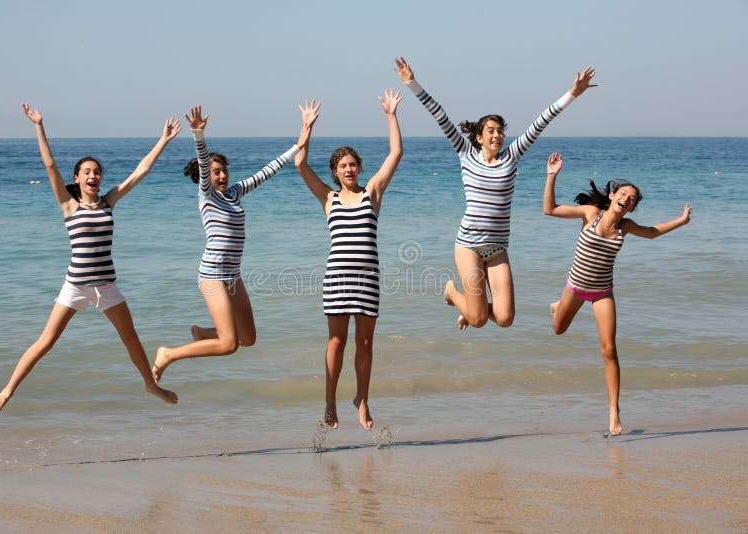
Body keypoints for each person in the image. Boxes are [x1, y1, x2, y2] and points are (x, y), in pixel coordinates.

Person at [0, 103, 180, 414]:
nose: (93, 175)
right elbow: (50, 165)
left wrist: (163, 140)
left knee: (131, 338)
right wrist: (39, 125)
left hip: (107, 285)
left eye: (97, 172)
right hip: (75, 285)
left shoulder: (109, 201)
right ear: (77, 178)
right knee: (46, 342)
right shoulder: (68, 206)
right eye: (87, 171)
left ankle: (150, 384)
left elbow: (141, 171)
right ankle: (8, 390)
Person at [394, 57, 596, 330]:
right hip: (468, 245)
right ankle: (454, 295)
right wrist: (411, 83)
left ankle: (470, 306)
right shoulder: (465, 154)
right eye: (491, 131)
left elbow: (542, 121)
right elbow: (439, 115)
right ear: (478, 137)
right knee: (478, 320)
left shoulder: (512, 156)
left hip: (498, 247)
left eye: (500, 131)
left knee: (504, 319)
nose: (497, 135)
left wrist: (573, 93)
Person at [151, 105, 316, 381]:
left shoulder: (235, 193)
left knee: (247, 338)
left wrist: (303, 134)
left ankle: (203, 333)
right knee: (228, 345)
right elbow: (203, 164)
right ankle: (168, 354)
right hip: (212, 275)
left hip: (233, 276)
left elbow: (268, 171)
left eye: (224, 170)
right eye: (216, 172)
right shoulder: (208, 196)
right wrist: (198, 135)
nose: (222, 176)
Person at [543, 151, 692, 435]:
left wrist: (681, 221)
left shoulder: (626, 227)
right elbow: (549, 209)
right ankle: (558, 305)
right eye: (623, 193)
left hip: (602, 293)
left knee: (609, 349)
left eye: (632, 199)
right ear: (612, 196)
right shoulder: (590, 214)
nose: (627, 198)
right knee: (558, 329)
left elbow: (653, 232)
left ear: (631, 208)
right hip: (575, 288)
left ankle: (614, 411)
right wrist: (552, 176)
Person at [295, 92, 403, 430]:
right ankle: (330, 401)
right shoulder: (328, 197)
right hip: (338, 280)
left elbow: (396, 153)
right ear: (336, 172)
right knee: (336, 342)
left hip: (368, 280)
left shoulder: (372, 193)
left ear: (359, 168)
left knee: (366, 342)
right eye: (343, 166)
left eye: (353, 164)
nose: (349, 169)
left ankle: (362, 399)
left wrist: (391, 115)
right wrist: (306, 127)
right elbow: (299, 163)